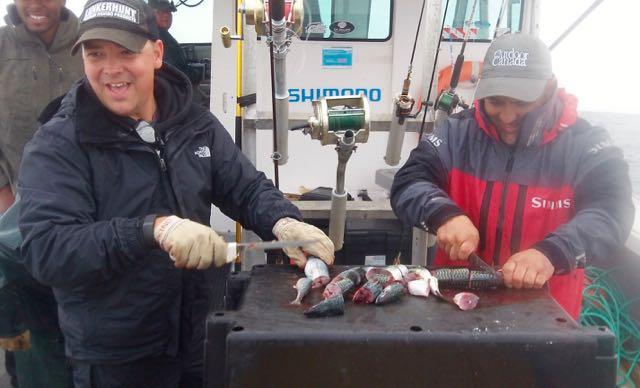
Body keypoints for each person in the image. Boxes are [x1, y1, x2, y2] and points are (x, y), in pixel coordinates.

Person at [17, 0, 334, 386]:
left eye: (126, 52)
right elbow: (46, 249)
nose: (111, 69)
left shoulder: (192, 121)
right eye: (95, 53)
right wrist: (152, 230)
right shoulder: (58, 142)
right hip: (117, 359)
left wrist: (282, 220)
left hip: (197, 339)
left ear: (157, 53)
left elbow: (244, 187)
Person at [391, 33, 634, 319]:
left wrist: (553, 253)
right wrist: (442, 213)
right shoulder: (456, 134)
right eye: (495, 102)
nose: (507, 117)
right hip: (454, 307)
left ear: (550, 89)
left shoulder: (586, 144)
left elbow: (611, 210)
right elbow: (409, 181)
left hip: (548, 316)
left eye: (521, 103)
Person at [0, 0, 83, 386]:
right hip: (15, 221)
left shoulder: (90, 45)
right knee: (29, 352)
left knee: (84, 336)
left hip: (84, 222)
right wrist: (5, 200)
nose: (36, 3)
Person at [149, 0, 200, 84]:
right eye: (160, 12)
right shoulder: (159, 38)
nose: (165, 15)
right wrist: (198, 74)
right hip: (170, 88)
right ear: (150, 14)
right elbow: (176, 72)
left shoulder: (160, 34)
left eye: (168, 12)